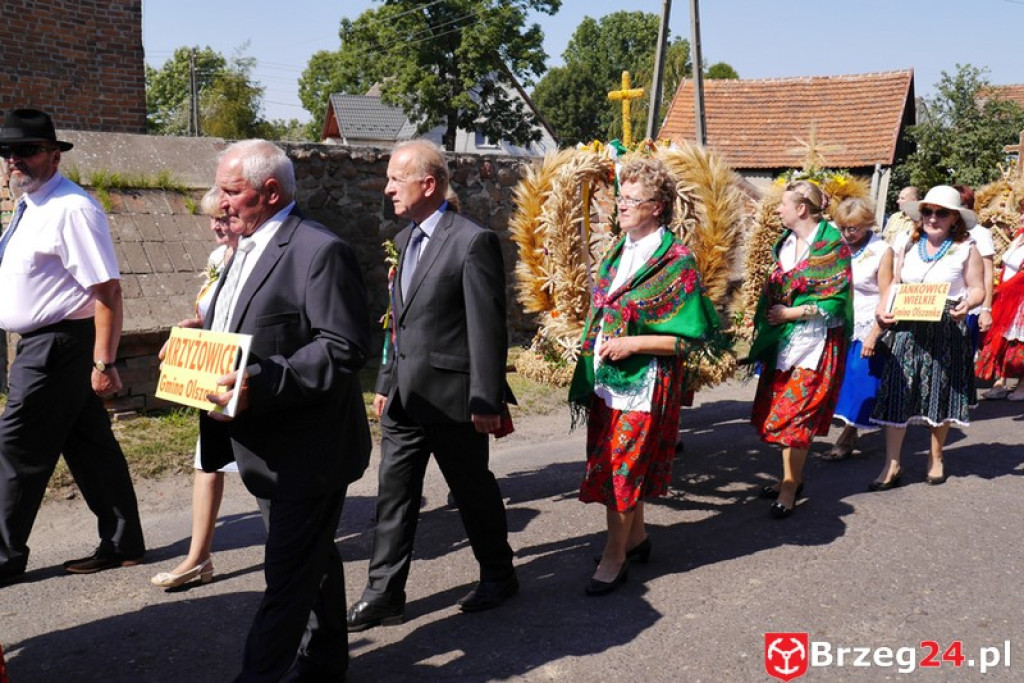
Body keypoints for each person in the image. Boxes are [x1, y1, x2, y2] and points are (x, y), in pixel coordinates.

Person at [201, 139, 371, 681]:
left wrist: (260, 380)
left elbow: (341, 348)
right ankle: (325, 665)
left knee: (287, 575)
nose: (220, 202)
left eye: (231, 192)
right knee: (311, 560)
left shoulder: (318, 250)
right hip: (264, 446)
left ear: (269, 192)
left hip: (307, 450)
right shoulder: (245, 247)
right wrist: (192, 343)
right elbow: (240, 332)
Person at [347, 139, 516, 632]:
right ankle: (384, 594)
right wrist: (384, 380)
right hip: (403, 397)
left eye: (396, 178)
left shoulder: (471, 241)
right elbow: (397, 322)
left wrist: (485, 398)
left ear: (428, 183)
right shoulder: (404, 241)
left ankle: (499, 573)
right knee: (392, 495)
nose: (387, 187)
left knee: (471, 490)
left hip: (452, 399)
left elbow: (488, 329)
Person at [0, 108, 145, 584]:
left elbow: (106, 290)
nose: (14, 161)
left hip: (57, 345)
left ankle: (4, 555)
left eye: (27, 151)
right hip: (46, 342)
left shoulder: (72, 208)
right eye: (8, 152)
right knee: (89, 445)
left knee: (16, 449)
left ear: (54, 156)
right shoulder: (33, 204)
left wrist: (104, 361)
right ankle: (123, 542)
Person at [568, 157, 719, 595]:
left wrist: (633, 344)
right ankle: (635, 540)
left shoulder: (677, 260)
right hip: (608, 378)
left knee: (621, 467)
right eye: (621, 197)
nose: (621, 206)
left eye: (632, 199)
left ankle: (614, 557)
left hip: (645, 383)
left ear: (657, 206)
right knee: (615, 463)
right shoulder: (618, 250)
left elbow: (690, 340)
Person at [149, 188, 240, 589]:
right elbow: (211, 315)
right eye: (212, 218)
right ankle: (198, 558)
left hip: (248, 372)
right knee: (207, 462)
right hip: (215, 371)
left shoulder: (261, 257)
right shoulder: (217, 259)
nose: (218, 225)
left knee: (266, 468)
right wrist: (191, 329)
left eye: (226, 216)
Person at [748, 180, 852, 518]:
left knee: (794, 415)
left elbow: (835, 299)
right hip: (786, 341)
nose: (778, 209)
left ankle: (791, 487)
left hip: (815, 342)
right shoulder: (786, 242)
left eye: (783, 204)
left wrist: (792, 312)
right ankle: (789, 478)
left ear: (802, 209)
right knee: (781, 408)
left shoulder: (831, 244)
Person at [870, 185, 984, 489]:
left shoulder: (965, 248)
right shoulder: (906, 244)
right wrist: (882, 314)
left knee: (940, 393)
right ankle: (891, 464)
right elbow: (894, 285)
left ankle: (935, 457)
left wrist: (968, 304)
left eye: (941, 213)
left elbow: (977, 288)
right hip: (906, 326)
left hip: (945, 327)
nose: (933, 218)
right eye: (928, 211)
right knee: (897, 392)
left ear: (954, 219)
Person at [823, 198, 893, 461]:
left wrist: (875, 332)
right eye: (844, 228)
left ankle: (848, 434)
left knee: (859, 377)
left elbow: (887, 294)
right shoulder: (835, 243)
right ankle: (845, 428)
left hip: (866, 319)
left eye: (854, 228)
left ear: (867, 224)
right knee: (836, 377)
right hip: (837, 319)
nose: (848, 234)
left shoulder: (881, 250)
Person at [976, 205, 1024, 401]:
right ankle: (1000, 381)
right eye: (1022, 213)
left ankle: (1022, 385)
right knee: (1001, 339)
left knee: (1019, 341)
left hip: (1020, 298)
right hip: (1007, 296)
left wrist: (1005, 288)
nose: (1021, 217)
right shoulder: (1018, 237)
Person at [953, 185, 995, 352]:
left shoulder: (980, 233)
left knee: (961, 357)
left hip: (968, 307)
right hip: (939, 307)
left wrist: (985, 310)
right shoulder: (940, 233)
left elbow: (987, 274)